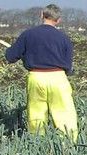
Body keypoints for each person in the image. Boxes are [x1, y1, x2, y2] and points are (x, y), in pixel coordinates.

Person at [5, 4, 78, 139]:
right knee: (64, 114)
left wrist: (11, 52)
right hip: (58, 77)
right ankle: (69, 147)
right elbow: (68, 65)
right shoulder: (64, 38)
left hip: (36, 77)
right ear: (58, 20)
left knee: (36, 115)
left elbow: (11, 56)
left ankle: (37, 145)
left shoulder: (28, 35)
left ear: (41, 15)